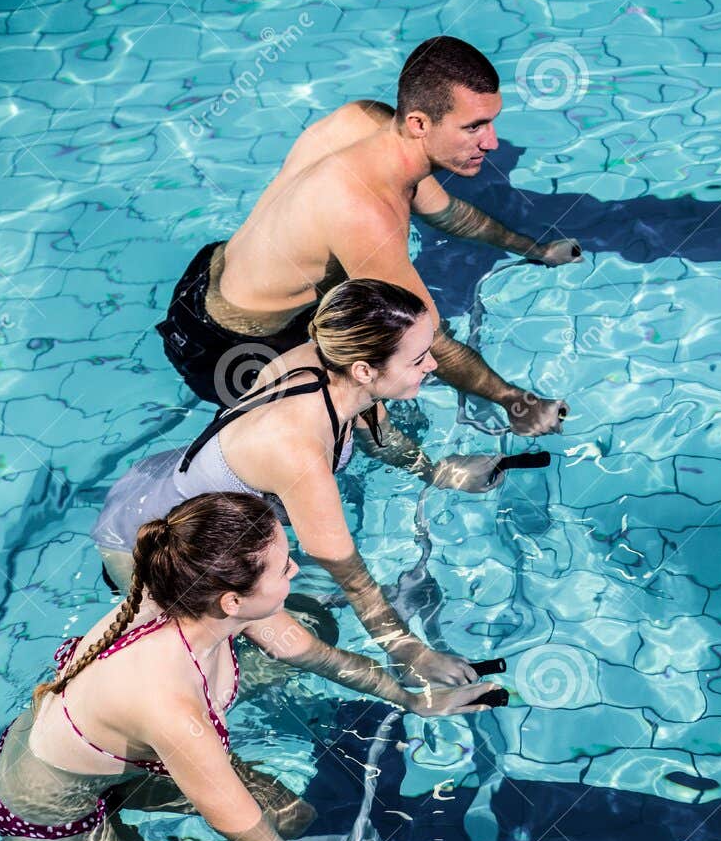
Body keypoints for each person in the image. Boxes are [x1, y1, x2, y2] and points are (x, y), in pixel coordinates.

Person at [0, 493, 497, 841]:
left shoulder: (196, 595)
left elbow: (314, 654)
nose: (296, 566)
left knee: (292, 815)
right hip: (43, 810)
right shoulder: (170, 707)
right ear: (231, 600)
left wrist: (412, 697)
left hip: (103, 764)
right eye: (284, 565)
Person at [159, 35, 580, 433]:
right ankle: (433, 473)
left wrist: (535, 249)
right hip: (229, 344)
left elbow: (449, 214)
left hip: (214, 270)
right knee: (360, 409)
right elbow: (428, 341)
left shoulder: (366, 120)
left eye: (491, 122)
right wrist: (515, 403)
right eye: (473, 127)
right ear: (419, 122)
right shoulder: (366, 212)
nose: (491, 142)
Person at [98, 278, 500, 692]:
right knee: (291, 644)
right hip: (146, 544)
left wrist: (436, 472)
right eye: (418, 359)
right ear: (365, 370)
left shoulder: (330, 359)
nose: (432, 365)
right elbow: (354, 579)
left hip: (158, 483)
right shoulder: (298, 453)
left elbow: (379, 433)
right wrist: (411, 654)